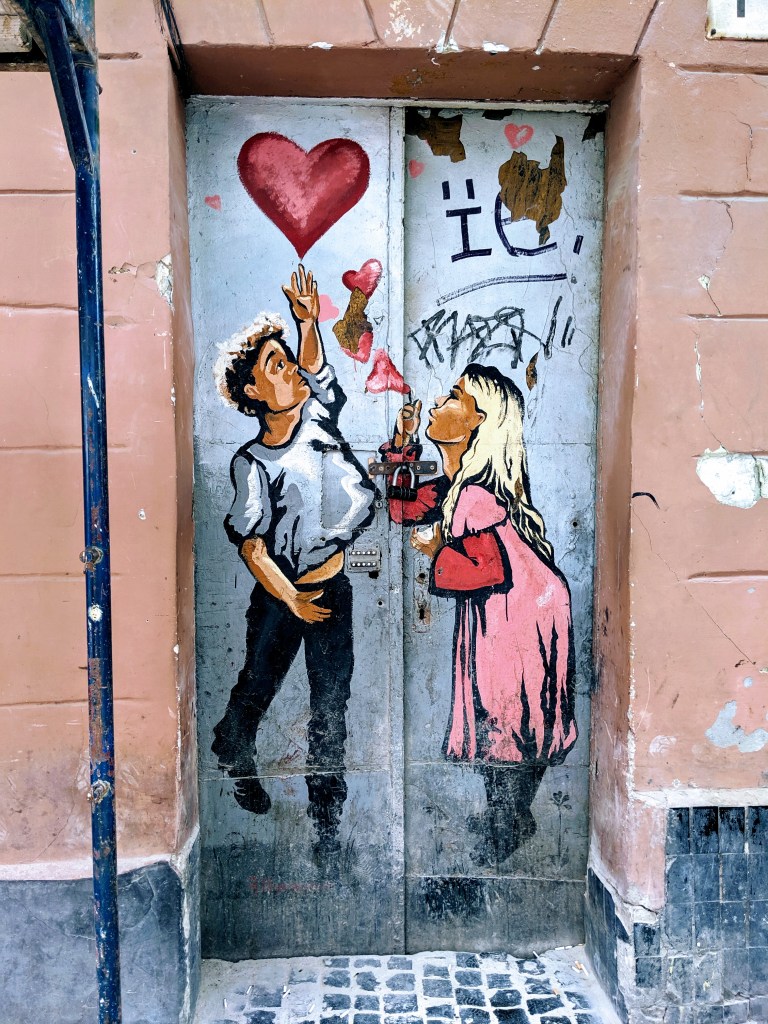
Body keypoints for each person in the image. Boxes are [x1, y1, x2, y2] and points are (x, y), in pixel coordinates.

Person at [380, 363, 577, 865]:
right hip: (518, 606)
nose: (437, 403)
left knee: (506, 713)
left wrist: (436, 554)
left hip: (521, 611)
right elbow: (402, 508)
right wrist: (402, 444)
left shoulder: (474, 493)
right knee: (508, 711)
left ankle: (506, 824)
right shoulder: (457, 484)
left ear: (477, 421)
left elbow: (486, 567)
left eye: (453, 397)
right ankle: (508, 816)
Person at [212, 264, 375, 862]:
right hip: (281, 597)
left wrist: (307, 323)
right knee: (258, 686)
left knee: (330, 711)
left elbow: (316, 369)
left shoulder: (317, 418)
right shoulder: (252, 462)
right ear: (254, 393)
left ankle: (326, 822)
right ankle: (234, 744)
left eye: (288, 361)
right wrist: (291, 599)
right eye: (276, 367)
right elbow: (252, 546)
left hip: (332, 594)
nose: (292, 372)